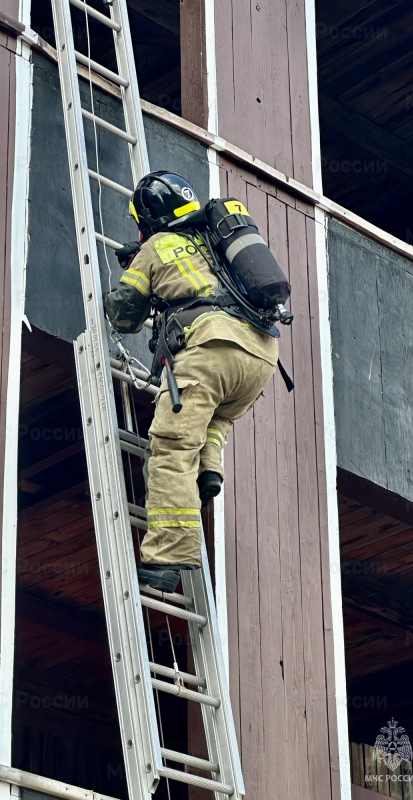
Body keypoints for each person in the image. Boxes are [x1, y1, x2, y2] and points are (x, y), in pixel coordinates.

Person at [104, 171, 279, 592]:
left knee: (172, 446)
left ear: (149, 218)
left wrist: (128, 276)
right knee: (216, 418)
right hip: (260, 356)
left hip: (211, 348)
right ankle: (209, 470)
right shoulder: (215, 241)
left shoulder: (156, 246)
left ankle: (168, 557)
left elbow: (126, 315)